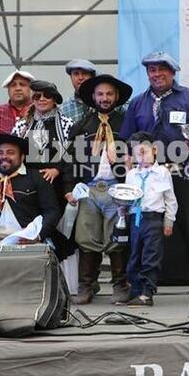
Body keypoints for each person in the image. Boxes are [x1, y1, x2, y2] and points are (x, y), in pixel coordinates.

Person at [119, 51, 189, 304]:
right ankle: (140, 290)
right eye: (152, 70)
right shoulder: (137, 103)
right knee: (141, 235)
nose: (156, 74)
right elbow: (126, 140)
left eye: (161, 69)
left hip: (184, 173)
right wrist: (129, 169)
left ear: (173, 71)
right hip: (148, 180)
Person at [63, 74, 133, 305]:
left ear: (117, 97)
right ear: (93, 96)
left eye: (109, 94)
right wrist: (68, 188)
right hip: (89, 189)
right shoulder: (82, 125)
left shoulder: (127, 123)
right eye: (100, 94)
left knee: (118, 237)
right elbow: (68, 161)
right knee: (86, 236)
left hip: (117, 188)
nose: (104, 98)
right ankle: (86, 285)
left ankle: (120, 284)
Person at [0, 134, 67, 255]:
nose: (4, 156)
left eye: (10, 152)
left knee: (42, 256)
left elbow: (52, 212)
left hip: (28, 241)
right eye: (0, 153)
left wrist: (37, 235)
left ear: (22, 156)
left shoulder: (37, 178)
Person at [124, 132, 177, 307]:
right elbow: (127, 196)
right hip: (135, 219)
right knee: (135, 255)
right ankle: (135, 290)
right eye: (137, 153)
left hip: (153, 219)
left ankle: (147, 292)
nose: (141, 157)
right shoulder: (131, 174)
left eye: (144, 152)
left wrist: (168, 221)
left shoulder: (162, 172)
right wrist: (121, 208)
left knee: (151, 255)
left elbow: (170, 199)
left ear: (154, 150)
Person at [11, 80, 74, 210]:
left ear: (54, 100)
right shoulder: (22, 125)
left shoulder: (67, 124)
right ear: (33, 100)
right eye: (37, 96)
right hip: (27, 186)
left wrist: (56, 169)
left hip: (56, 184)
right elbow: (11, 150)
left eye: (47, 95)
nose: (42, 99)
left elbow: (74, 153)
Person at [0, 70, 35, 135]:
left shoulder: (40, 111)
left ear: (30, 89)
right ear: (8, 90)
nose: (18, 88)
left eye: (22, 84)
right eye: (13, 85)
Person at [60, 59, 97, 123]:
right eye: (76, 74)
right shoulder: (63, 109)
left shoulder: (103, 102)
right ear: (71, 78)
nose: (80, 78)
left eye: (84, 73)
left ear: (92, 77)